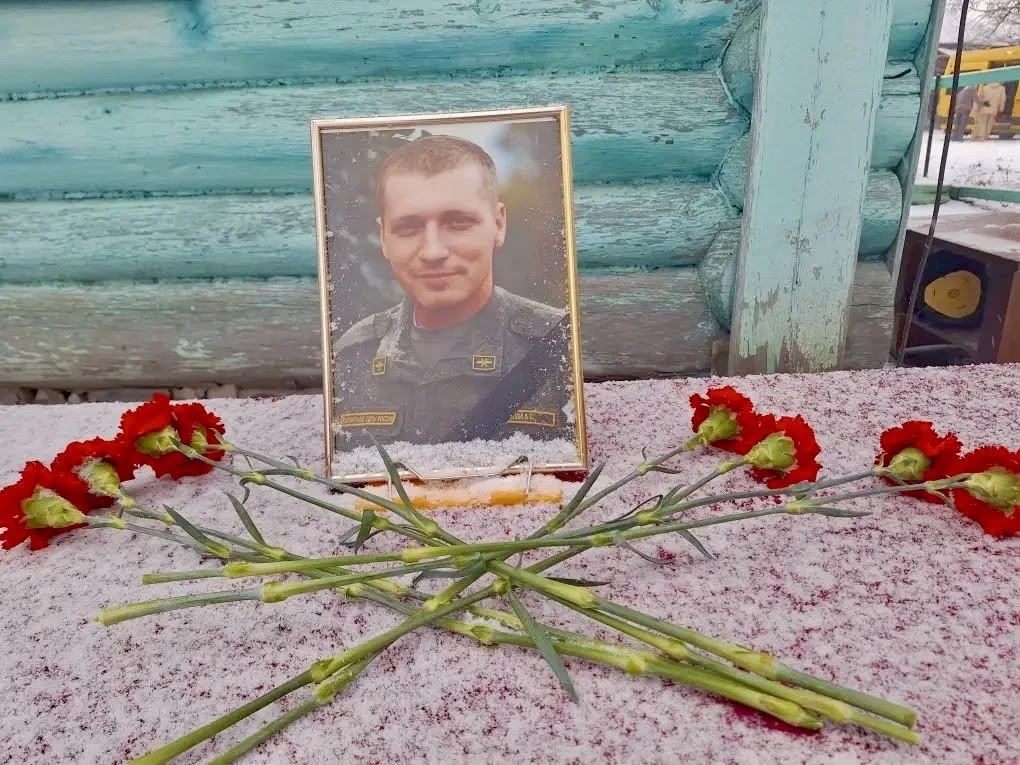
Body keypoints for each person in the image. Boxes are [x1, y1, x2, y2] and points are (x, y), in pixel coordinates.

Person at [331, 134, 575, 451]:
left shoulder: (558, 346)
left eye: (458, 222)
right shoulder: (353, 355)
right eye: (408, 227)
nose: (433, 251)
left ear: (498, 225)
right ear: (384, 238)